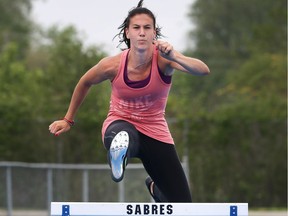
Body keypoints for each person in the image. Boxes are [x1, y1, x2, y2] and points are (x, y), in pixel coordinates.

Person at [49, 0, 210, 202]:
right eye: (136, 28)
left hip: (154, 131)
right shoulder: (112, 65)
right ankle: (118, 154)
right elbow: (85, 82)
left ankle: (155, 187)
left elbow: (203, 70)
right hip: (120, 123)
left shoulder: (164, 60)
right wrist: (68, 119)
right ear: (128, 32)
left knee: (183, 204)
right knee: (122, 136)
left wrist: (176, 55)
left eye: (147, 28)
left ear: (154, 33)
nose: (141, 32)